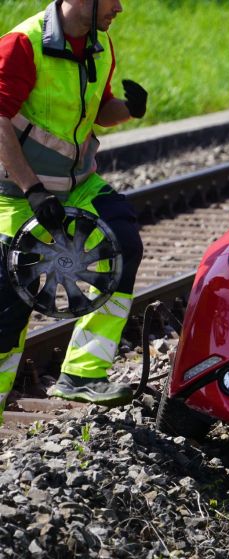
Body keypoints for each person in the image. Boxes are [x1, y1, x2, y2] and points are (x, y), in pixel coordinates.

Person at [0, 0, 146, 407]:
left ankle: (83, 375)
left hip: (77, 185)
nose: (119, 8)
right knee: (9, 300)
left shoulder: (100, 46)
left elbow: (99, 113)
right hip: (15, 192)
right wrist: (32, 190)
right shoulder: (22, 45)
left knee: (123, 245)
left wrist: (129, 111)